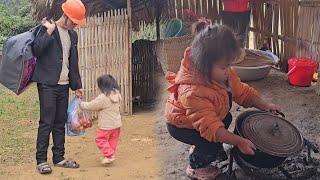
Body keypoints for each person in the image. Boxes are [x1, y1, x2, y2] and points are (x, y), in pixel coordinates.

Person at [164, 25, 281, 179]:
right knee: (210, 141)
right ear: (204, 65)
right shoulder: (193, 91)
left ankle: (204, 147)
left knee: (227, 119)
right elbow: (211, 129)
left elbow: (243, 93)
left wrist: (265, 106)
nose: (228, 70)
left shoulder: (223, 73)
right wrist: (239, 141)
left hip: (202, 119)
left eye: (229, 65)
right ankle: (196, 166)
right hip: (181, 125)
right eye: (223, 67)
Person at [31, 0, 86, 174]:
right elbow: (36, 50)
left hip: (63, 85)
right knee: (46, 121)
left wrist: (77, 85)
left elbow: (73, 62)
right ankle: (41, 160)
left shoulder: (73, 36)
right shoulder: (47, 28)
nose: (76, 26)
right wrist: (49, 32)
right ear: (66, 16)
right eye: (75, 22)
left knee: (60, 122)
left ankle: (59, 158)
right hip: (47, 83)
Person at [80, 75, 122, 165]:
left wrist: (81, 104)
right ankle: (109, 156)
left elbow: (92, 105)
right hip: (117, 124)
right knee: (112, 140)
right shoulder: (117, 94)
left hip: (106, 125)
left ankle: (109, 155)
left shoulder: (103, 97)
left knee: (100, 139)